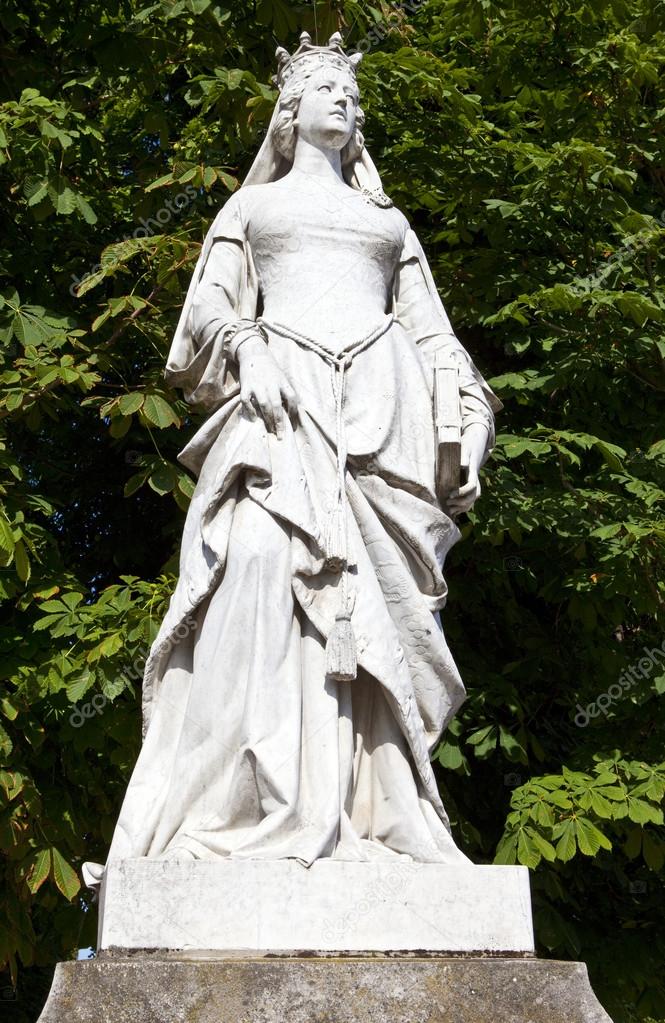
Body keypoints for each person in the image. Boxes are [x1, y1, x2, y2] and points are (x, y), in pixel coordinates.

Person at [102, 32, 501, 871]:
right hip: (281, 411)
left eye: (350, 95)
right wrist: (249, 350)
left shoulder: (385, 222)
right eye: (325, 88)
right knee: (251, 566)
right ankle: (245, 801)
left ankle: (367, 813)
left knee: (375, 613)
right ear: (289, 110)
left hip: (381, 422)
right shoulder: (252, 209)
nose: (343, 101)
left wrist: (465, 423)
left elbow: (435, 338)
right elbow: (207, 307)